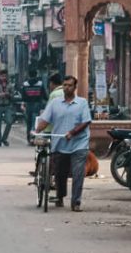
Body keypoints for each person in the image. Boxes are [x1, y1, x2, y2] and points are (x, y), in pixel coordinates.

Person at [35, 76, 92, 212]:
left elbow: (85, 122)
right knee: (60, 173)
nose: (67, 88)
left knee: (78, 174)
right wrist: (36, 131)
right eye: (65, 85)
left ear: (75, 87)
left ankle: (76, 202)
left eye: (70, 85)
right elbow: (45, 120)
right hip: (60, 143)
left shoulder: (82, 103)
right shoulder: (55, 103)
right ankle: (60, 197)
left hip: (79, 144)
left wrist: (72, 132)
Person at [0, 70, 18, 147]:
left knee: (9, 122)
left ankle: (4, 138)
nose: (3, 78)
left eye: (5, 76)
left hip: (7, 106)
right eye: (2, 76)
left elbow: (13, 95)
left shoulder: (10, 85)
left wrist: (7, 94)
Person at [21, 74, 47, 143]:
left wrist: (23, 104)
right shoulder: (40, 84)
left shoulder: (25, 84)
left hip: (28, 105)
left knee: (28, 122)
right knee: (34, 122)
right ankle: (33, 137)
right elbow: (44, 95)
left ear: (29, 76)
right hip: (37, 105)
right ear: (36, 75)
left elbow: (23, 96)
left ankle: (29, 138)